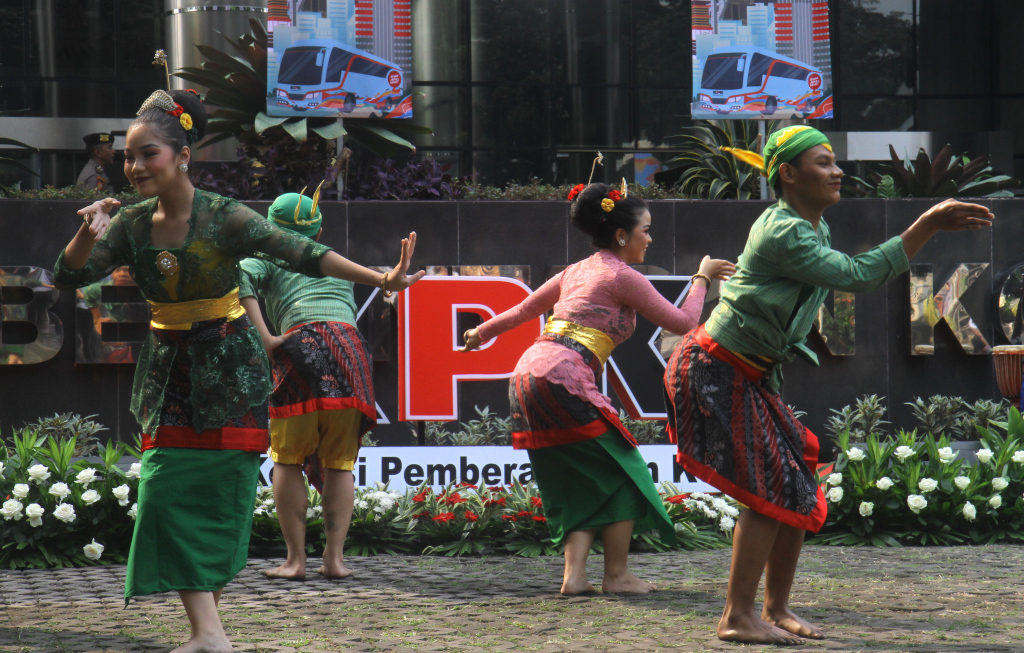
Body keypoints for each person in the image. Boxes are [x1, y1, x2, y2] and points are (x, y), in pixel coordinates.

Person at [52, 88, 423, 653]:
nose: (133, 167)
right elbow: (68, 277)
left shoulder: (225, 218)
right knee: (162, 490)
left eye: (146, 154)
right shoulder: (127, 224)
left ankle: (207, 633)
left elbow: (302, 251)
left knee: (220, 496)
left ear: (182, 156)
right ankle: (210, 632)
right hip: (168, 371)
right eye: (128, 157)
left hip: (231, 369)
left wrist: (382, 280)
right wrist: (89, 226)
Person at [663, 125, 993, 646]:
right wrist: (927, 223)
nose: (838, 170)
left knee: (795, 480)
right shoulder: (784, 230)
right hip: (714, 366)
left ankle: (773, 608)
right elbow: (859, 275)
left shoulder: (809, 227)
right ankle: (736, 616)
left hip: (745, 370)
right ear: (788, 175)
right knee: (771, 487)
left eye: (835, 161)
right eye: (823, 162)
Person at [461, 181, 734, 595]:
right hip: (562, 378)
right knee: (627, 471)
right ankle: (617, 575)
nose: (650, 238)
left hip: (526, 377)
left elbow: (524, 309)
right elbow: (683, 324)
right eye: (645, 229)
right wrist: (702, 277)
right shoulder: (621, 275)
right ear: (621, 235)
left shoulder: (577, 271)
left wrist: (481, 332)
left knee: (579, 479)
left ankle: (575, 577)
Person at [238, 190, 376, 582]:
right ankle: (334, 560)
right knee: (340, 463)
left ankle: (295, 561)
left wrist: (263, 335)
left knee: (287, 459)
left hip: (299, 349)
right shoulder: (328, 258)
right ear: (317, 228)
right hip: (349, 351)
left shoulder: (267, 256)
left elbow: (238, 277)